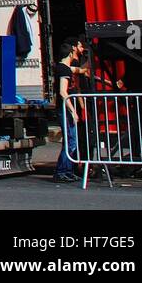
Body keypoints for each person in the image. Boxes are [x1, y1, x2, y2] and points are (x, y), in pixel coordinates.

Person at [54, 41, 81, 183]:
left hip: (63, 109)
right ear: (70, 53)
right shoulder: (64, 70)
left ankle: (67, 170)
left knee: (70, 141)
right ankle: (62, 171)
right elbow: (63, 92)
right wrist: (73, 111)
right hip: (64, 109)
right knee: (71, 141)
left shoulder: (62, 68)